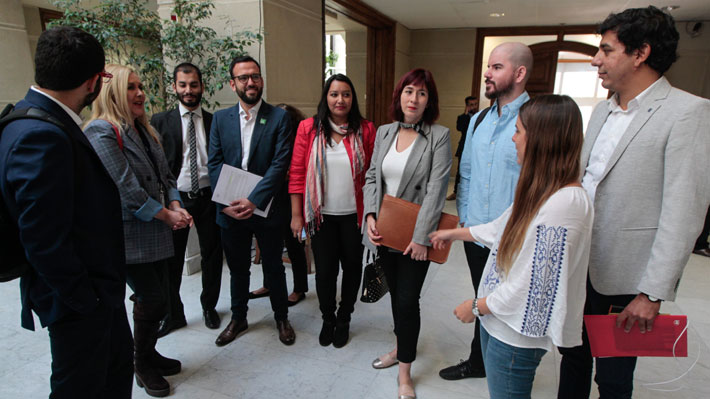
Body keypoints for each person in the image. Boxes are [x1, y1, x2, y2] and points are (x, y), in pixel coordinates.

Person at [557, 7, 710, 399]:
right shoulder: (601, 111)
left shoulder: (687, 113)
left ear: (640, 53)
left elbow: (683, 212)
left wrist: (652, 293)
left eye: (606, 50)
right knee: (571, 358)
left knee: (612, 379)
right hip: (580, 267)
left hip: (627, 280)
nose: (596, 60)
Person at [0, 26, 133, 399]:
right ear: (93, 82)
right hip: (77, 301)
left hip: (92, 293)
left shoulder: (29, 118)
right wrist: (86, 300)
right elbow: (43, 239)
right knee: (80, 386)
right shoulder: (39, 135)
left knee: (112, 371)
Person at [431, 95, 593, 399]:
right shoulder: (542, 189)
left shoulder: (565, 204)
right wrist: (452, 234)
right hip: (498, 321)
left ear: (541, 140)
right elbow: (500, 229)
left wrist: (476, 307)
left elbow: (533, 286)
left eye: (518, 131)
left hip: (515, 334)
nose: (513, 138)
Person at [84, 64, 192, 397]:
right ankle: (140, 364)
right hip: (128, 236)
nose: (140, 93)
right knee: (153, 296)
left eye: (140, 86)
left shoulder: (144, 129)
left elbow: (167, 177)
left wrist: (175, 204)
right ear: (112, 92)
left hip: (156, 229)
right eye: (131, 87)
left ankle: (148, 353)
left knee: (159, 296)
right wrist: (166, 215)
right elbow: (126, 189)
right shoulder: (101, 132)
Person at [440, 42, 533, 381]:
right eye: (488, 67)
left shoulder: (535, 120)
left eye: (496, 67)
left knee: (509, 304)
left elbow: (538, 182)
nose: (487, 74)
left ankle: (507, 369)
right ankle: (479, 363)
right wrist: (465, 216)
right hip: (476, 233)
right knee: (483, 299)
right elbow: (464, 173)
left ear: (519, 74)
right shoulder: (477, 120)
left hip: (515, 238)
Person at [364, 68, 451, 399]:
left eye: (422, 93)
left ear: (429, 101)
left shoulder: (439, 135)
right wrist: (370, 216)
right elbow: (373, 177)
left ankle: (404, 373)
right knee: (395, 297)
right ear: (399, 96)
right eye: (409, 91)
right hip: (385, 231)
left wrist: (421, 237)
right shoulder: (385, 131)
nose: (414, 99)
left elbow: (436, 189)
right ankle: (399, 348)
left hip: (416, 237)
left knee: (406, 300)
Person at [208, 55, 296, 347]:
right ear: (233, 84)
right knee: (237, 268)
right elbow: (215, 163)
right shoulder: (220, 118)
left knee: (273, 264)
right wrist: (230, 202)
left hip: (267, 207)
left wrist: (254, 200)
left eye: (255, 76)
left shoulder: (279, 117)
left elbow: (279, 164)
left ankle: (281, 317)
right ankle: (238, 317)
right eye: (243, 78)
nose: (250, 82)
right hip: (231, 209)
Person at [289, 74, 376, 348]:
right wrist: (296, 215)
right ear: (326, 97)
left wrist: (375, 214)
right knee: (325, 271)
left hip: (355, 217)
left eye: (346, 94)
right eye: (334, 94)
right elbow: (297, 173)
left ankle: (345, 316)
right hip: (321, 216)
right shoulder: (308, 128)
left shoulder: (366, 129)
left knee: (352, 268)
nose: (340, 100)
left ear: (353, 98)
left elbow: (374, 176)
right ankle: (328, 317)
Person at [151, 62, 224, 337]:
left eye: (193, 84)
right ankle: (174, 314)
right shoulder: (159, 122)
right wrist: (169, 203)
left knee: (212, 256)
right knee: (172, 260)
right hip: (176, 200)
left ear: (201, 86)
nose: (189, 90)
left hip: (209, 197)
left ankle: (209, 307)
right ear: (174, 87)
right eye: (183, 85)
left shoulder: (214, 120)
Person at [249, 103, 310, 306]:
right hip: (269, 196)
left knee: (294, 245)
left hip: (291, 198)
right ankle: (268, 284)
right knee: (268, 246)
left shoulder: (299, 139)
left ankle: (300, 288)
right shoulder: (269, 135)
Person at [446, 96, 478, 201]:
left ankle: (472, 194)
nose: (474, 107)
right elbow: (460, 128)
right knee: (460, 170)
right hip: (464, 147)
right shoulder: (462, 117)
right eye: (471, 105)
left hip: (477, 148)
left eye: (475, 104)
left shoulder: (481, 116)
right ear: (467, 106)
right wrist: (466, 114)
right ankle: (456, 192)